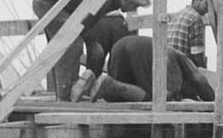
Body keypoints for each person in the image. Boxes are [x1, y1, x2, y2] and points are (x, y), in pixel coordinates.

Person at [88, 32, 216, 102]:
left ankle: (90, 83)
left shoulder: (174, 54)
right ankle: (110, 85)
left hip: (121, 44)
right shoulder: (182, 60)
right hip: (147, 51)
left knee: (120, 99)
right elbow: (200, 80)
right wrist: (212, 102)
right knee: (159, 99)